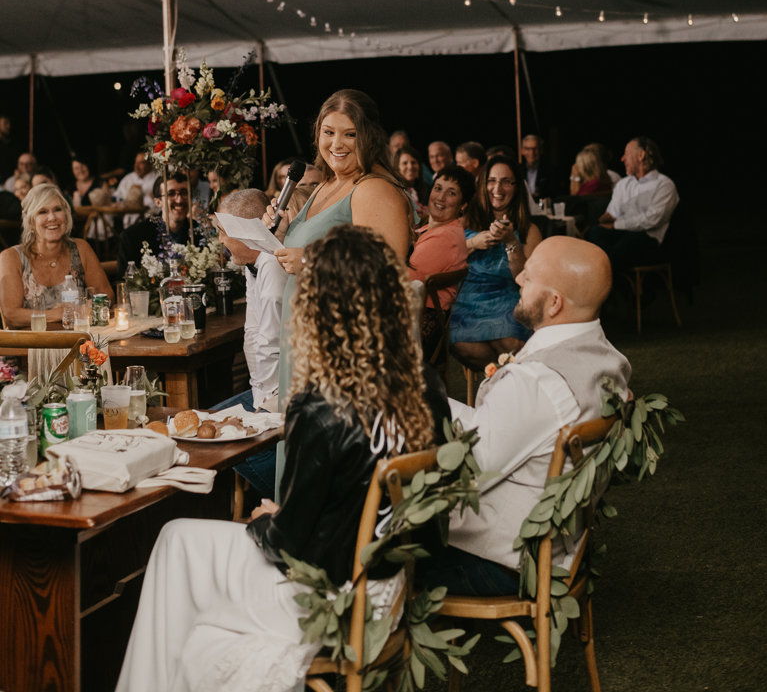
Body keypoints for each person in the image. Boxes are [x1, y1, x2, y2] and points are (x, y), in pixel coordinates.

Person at [115, 224, 449, 692]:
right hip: (387, 584)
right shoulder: (428, 387)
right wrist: (285, 520)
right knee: (182, 548)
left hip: (327, 595)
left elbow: (290, 544)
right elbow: (415, 518)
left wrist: (269, 520)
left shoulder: (324, 405)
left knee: (176, 543)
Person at [417, 236, 631, 596]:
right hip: (559, 546)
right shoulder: (607, 360)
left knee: (360, 538)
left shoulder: (537, 382)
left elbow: (467, 469)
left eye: (528, 278)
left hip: (505, 561)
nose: (518, 280)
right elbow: (504, 429)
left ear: (554, 303)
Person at [265, 90, 415, 490]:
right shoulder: (323, 187)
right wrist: (280, 232)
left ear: (369, 137)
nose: (337, 144)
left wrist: (311, 262)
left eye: (349, 134)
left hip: (344, 345)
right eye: (328, 132)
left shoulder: (372, 189)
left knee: (330, 456)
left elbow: (388, 272)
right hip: (307, 336)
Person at [212, 188, 287, 499]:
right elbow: (252, 333)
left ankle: (291, 503)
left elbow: (271, 347)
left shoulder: (273, 268)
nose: (220, 241)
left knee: (227, 441)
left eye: (222, 232)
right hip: (263, 388)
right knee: (210, 422)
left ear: (245, 232)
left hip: (282, 391)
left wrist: (259, 413)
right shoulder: (252, 264)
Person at [450, 156, 542, 372]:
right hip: (467, 299)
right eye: (491, 180)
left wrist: (511, 242)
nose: (497, 188)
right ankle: (512, 379)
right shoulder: (464, 221)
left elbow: (525, 279)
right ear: (483, 184)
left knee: (513, 344)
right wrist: (474, 242)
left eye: (506, 181)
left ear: (516, 186)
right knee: (458, 341)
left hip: (506, 297)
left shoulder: (529, 230)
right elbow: (445, 256)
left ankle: (505, 384)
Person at [0, 183, 114, 329]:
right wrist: (64, 313)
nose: (52, 217)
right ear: (30, 221)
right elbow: (11, 316)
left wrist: (78, 309)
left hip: (81, 343)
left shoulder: (81, 248)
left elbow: (107, 296)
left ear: (66, 215)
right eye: (42, 212)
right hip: (30, 347)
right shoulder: (11, 257)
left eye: (57, 210)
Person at [587, 137, 679, 277]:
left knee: (618, 249)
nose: (622, 159)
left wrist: (615, 225)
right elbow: (613, 213)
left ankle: (601, 285)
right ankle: (611, 284)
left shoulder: (664, 185)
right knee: (595, 233)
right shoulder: (623, 184)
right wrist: (601, 220)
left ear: (641, 155)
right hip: (620, 234)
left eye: (627, 154)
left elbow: (651, 220)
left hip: (647, 237)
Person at [409, 164, 474, 357]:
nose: (440, 197)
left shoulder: (445, 238)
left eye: (451, 193)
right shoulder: (432, 230)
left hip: (420, 328)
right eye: (438, 188)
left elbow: (407, 281)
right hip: (419, 318)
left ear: (463, 205)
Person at [116, 171, 191, 279]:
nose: (179, 200)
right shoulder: (133, 237)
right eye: (171, 194)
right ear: (158, 201)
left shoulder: (200, 234)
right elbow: (123, 283)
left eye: (184, 193)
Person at [396, 145, 431, 219]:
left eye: (413, 162)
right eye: (405, 163)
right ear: (397, 168)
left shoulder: (427, 189)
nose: (410, 166)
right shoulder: (394, 191)